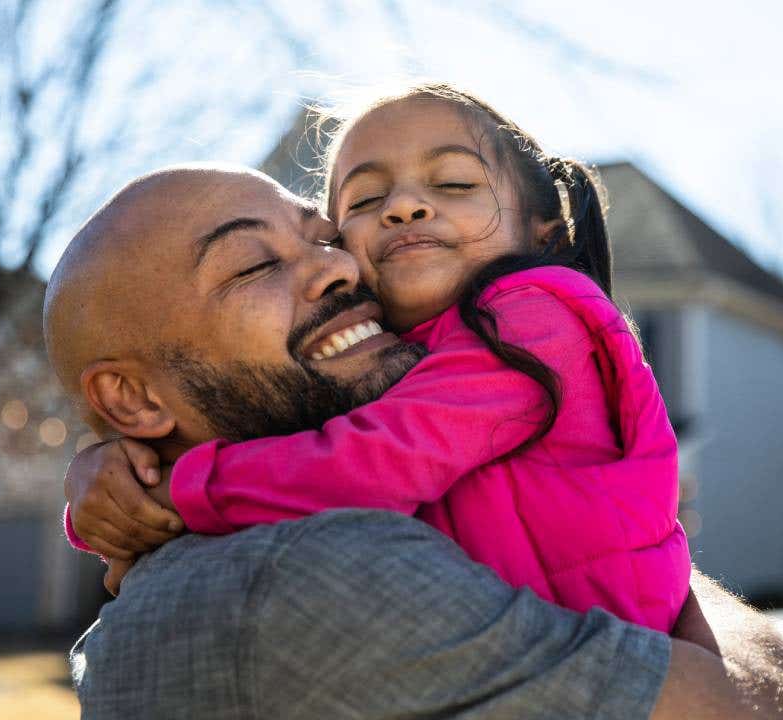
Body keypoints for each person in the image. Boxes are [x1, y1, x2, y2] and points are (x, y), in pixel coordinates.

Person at [45, 165, 783, 718]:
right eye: (253, 264)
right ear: (133, 399)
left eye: (321, 237)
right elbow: (766, 710)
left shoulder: (198, 573)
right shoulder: (320, 571)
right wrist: (642, 533)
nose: (340, 266)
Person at [67, 83, 689, 632]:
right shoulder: (403, 356)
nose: (404, 206)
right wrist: (112, 472)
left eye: (454, 184)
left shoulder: (535, 317)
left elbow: (374, 458)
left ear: (543, 235)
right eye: (363, 203)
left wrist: (179, 492)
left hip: (608, 656)